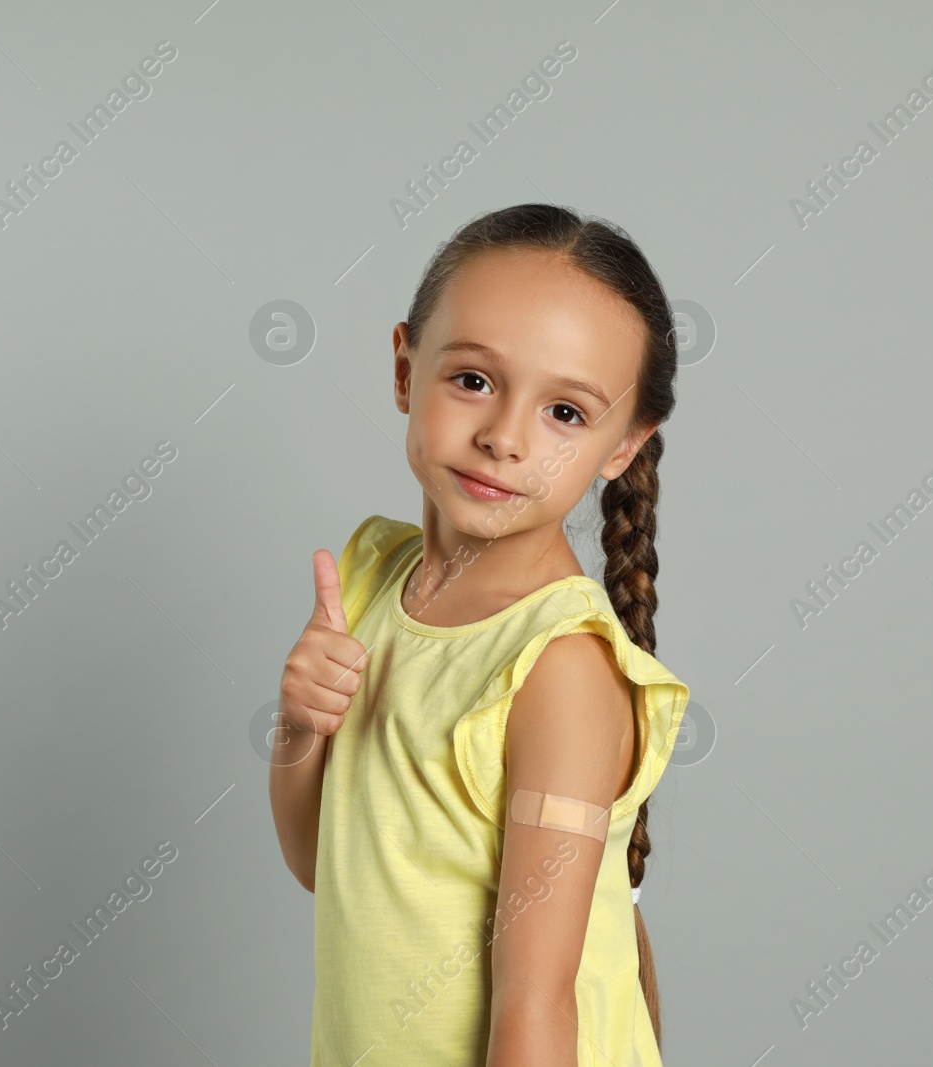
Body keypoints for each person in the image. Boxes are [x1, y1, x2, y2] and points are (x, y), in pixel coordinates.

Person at [269, 203, 692, 1065]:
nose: (504, 437)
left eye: (566, 413)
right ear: (403, 367)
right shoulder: (372, 582)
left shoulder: (561, 668)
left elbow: (534, 1006)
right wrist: (301, 726)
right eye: (474, 380)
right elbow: (322, 863)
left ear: (625, 444)